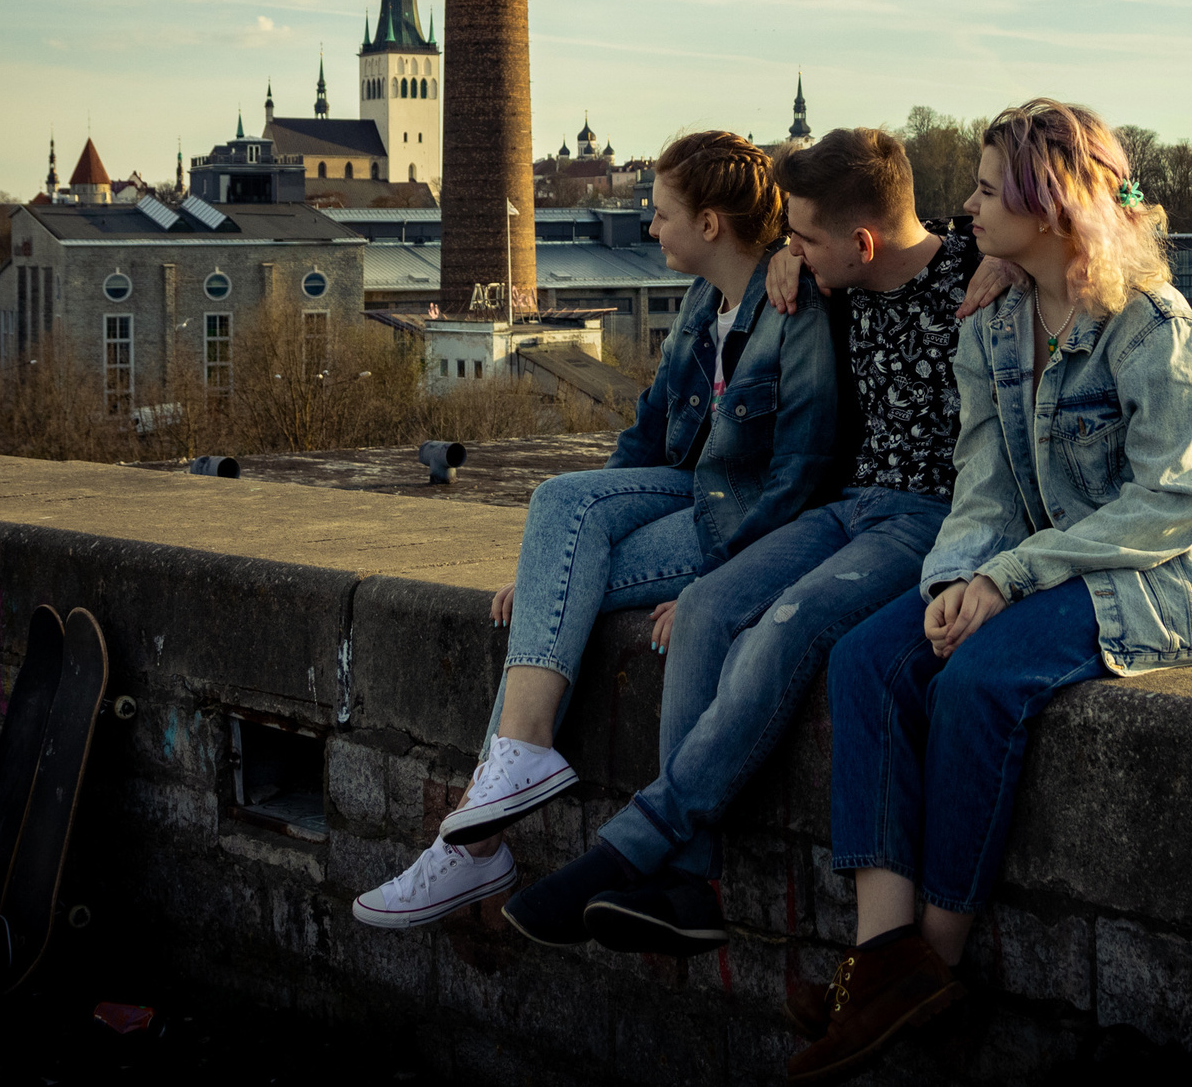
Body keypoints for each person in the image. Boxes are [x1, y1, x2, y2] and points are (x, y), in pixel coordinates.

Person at [786, 99, 1192, 1083]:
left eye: (985, 191)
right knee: (873, 657)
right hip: (1042, 568)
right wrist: (960, 575)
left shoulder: (1156, 333)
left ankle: (937, 960)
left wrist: (1007, 577)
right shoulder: (995, 323)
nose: (964, 209)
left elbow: (1173, 504)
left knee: (977, 684)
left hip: (1165, 581)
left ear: (1048, 209)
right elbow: (985, 483)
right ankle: (883, 960)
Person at [489, 125, 1012, 954]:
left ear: (860, 241)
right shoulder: (828, 275)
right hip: (846, 506)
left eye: (800, 235)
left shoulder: (978, 281)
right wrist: (792, 258)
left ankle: (628, 848)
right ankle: (689, 885)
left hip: (928, 518)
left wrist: (1012, 262)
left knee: (781, 631)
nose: (787, 246)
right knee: (702, 609)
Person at [350, 130, 839, 933]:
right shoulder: (697, 304)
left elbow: (803, 469)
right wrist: (553, 565)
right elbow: (646, 437)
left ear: (711, 224)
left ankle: (476, 843)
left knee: (560, 569)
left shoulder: (795, 306)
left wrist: (732, 581)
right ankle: (509, 778)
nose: (650, 229)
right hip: (686, 490)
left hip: (742, 524)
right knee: (559, 507)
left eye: (662, 214)